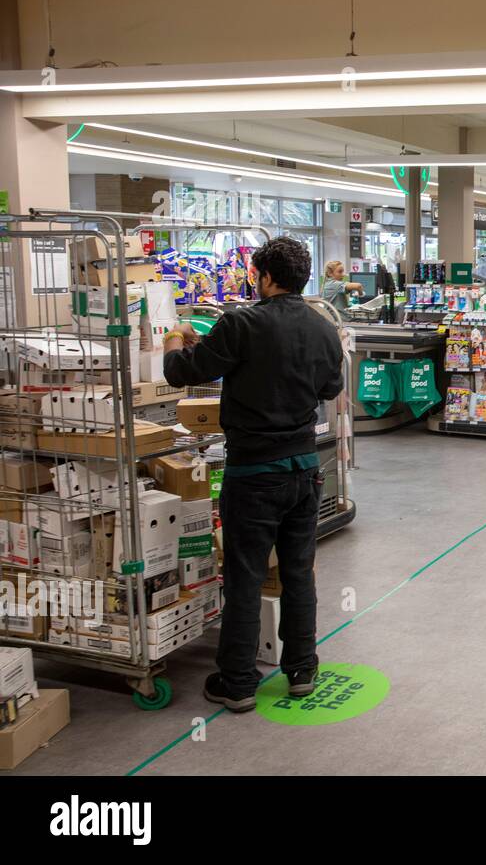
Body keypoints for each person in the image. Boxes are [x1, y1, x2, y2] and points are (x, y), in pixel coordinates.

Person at [162, 237, 344, 713]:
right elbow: (330, 385)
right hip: (306, 468)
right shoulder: (324, 328)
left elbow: (184, 373)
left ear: (264, 277)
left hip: (254, 471)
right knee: (298, 571)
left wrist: (172, 338)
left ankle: (239, 681)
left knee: (244, 575)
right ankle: (302, 669)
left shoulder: (239, 323)